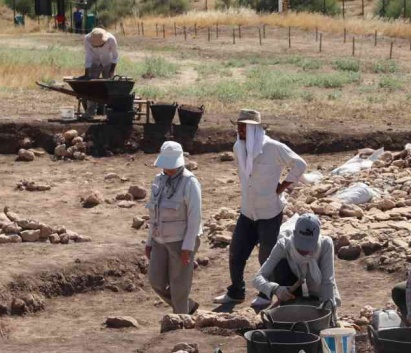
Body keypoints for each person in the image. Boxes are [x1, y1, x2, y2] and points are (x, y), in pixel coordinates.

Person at [213, 109, 308, 307]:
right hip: (248, 211)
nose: (239, 129)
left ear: (255, 128)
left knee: (267, 257)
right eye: (238, 125)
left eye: (244, 126)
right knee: (236, 253)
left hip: (269, 212)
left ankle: (266, 295)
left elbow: (299, 164)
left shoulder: (273, 147)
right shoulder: (238, 147)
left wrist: (282, 186)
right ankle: (236, 292)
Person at [145, 141, 202, 315]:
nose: (168, 169)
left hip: (181, 241)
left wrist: (187, 247)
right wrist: (149, 241)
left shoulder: (190, 182)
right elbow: (154, 213)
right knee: (156, 281)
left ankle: (182, 321)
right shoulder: (158, 180)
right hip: (159, 239)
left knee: (179, 287)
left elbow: (195, 218)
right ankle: (187, 306)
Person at [252, 214, 340, 307]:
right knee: (281, 266)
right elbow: (257, 278)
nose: (304, 250)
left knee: (326, 307)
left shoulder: (325, 244)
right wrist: (275, 289)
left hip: (319, 291)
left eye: (309, 245)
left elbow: (328, 282)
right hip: (293, 291)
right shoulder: (284, 245)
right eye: (301, 244)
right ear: (294, 233)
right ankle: (290, 305)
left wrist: (330, 312)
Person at [82, 28, 119, 119]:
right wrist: (87, 74)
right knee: (91, 86)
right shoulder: (87, 39)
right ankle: (90, 111)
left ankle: (109, 110)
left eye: (101, 45)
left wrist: (111, 71)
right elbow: (88, 56)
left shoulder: (111, 39)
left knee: (110, 87)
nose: (98, 46)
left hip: (108, 63)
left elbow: (115, 56)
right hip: (94, 63)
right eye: (96, 46)